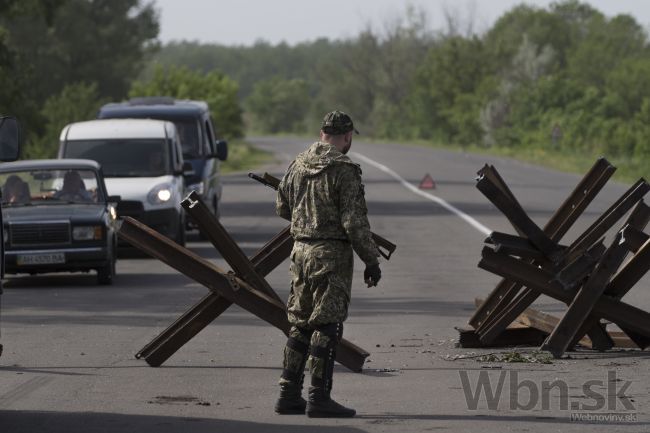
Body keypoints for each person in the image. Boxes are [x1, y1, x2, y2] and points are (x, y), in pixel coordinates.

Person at [274, 110, 382, 418]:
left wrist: (308, 215)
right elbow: (354, 222)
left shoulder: (297, 163)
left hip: (299, 252)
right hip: (330, 255)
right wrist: (371, 260)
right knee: (326, 324)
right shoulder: (344, 169)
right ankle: (319, 397)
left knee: (300, 322)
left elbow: (282, 207)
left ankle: (288, 394)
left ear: (322, 133)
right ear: (347, 136)